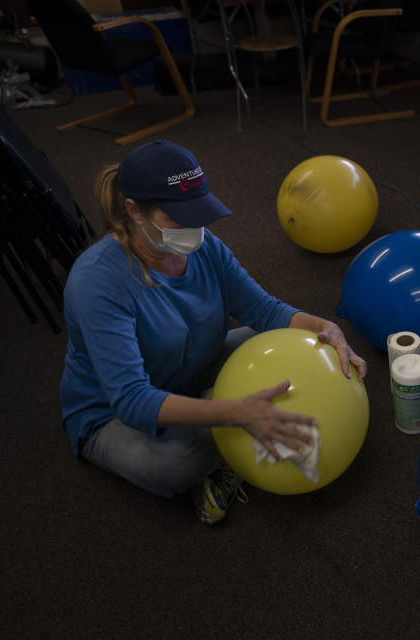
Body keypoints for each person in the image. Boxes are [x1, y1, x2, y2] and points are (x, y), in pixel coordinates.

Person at [60, 140, 367, 524]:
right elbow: (132, 401)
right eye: (178, 219)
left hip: (190, 365)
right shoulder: (97, 282)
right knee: (176, 461)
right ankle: (224, 445)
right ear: (134, 211)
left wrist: (326, 328)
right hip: (111, 415)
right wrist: (235, 413)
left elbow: (265, 311)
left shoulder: (205, 248)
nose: (193, 230)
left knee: (282, 343)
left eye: (198, 215)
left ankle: (228, 432)